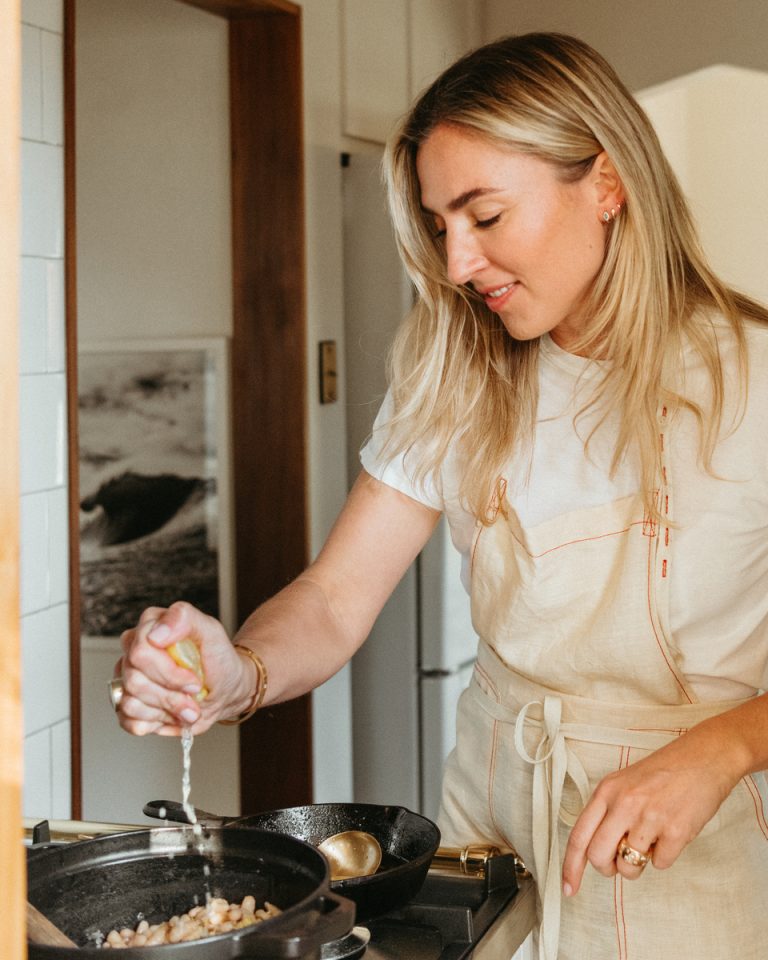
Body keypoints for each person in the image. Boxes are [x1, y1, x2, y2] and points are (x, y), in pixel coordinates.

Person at [112, 32, 768, 960]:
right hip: (489, 835)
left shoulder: (753, 378)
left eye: (485, 215)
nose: (457, 263)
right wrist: (238, 673)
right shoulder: (452, 368)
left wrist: (721, 749)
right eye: (439, 224)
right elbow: (336, 600)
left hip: (695, 855)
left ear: (608, 184)